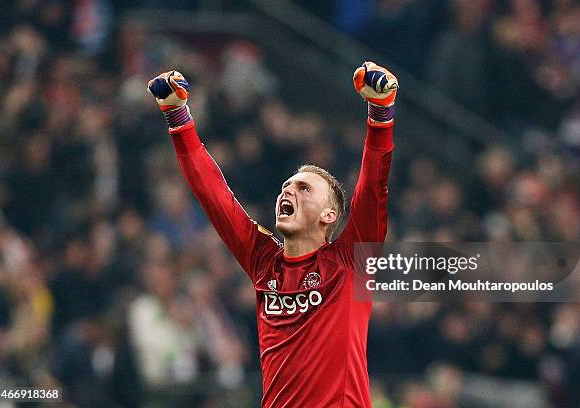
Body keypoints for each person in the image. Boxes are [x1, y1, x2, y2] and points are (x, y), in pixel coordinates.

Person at [147, 61, 397, 407]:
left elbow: (372, 190)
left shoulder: (349, 262)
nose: (288, 192)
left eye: (304, 188)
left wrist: (380, 114)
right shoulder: (264, 262)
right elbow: (214, 195)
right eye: (286, 186)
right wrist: (177, 116)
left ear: (329, 215)